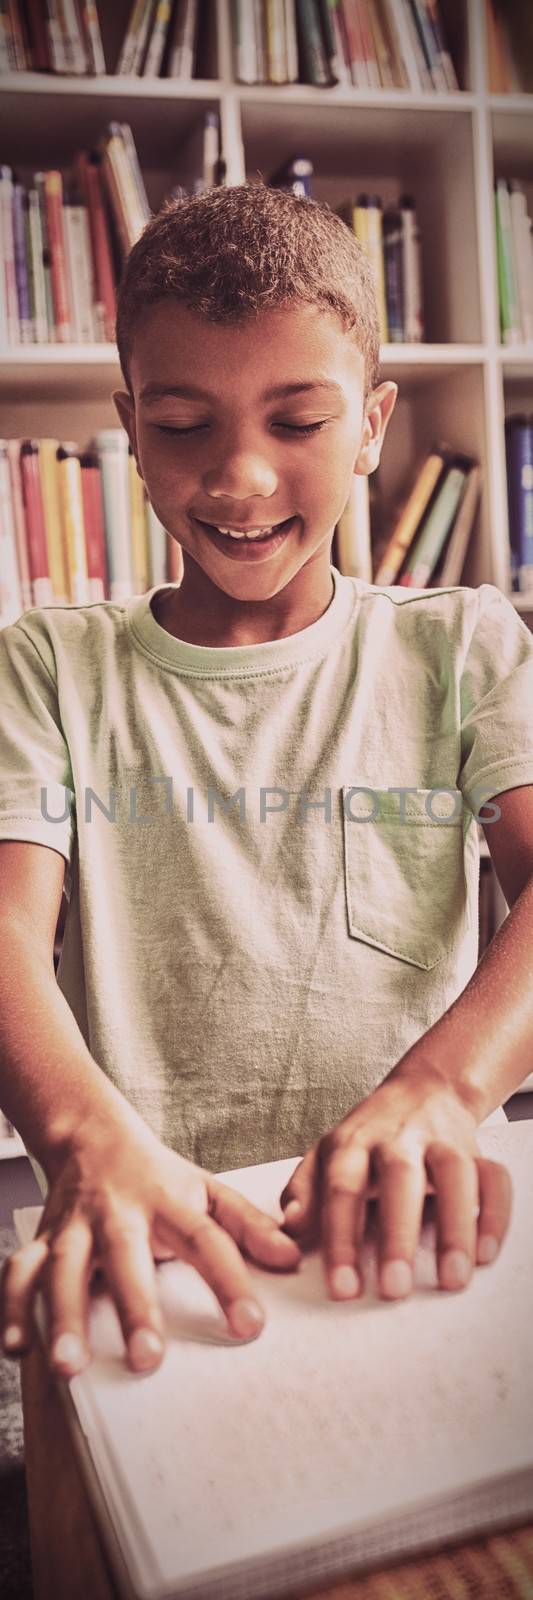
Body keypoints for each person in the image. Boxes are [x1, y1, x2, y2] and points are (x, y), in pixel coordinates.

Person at [1, 183, 533, 1381]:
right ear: (129, 426)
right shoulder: (47, 666)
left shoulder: (461, 646)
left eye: (296, 421)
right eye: (184, 424)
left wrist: (441, 1092)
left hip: (422, 1240)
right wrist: (83, 1141)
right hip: (155, 1257)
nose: (239, 479)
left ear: (372, 425)